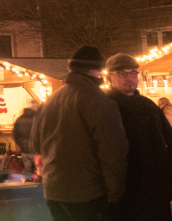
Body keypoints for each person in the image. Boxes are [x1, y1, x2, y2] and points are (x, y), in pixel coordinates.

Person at [31, 45, 128, 221]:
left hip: (54, 191)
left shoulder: (49, 101)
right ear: (95, 70)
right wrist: (115, 196)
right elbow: (113, 153)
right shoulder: (98, 101)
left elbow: (36, 146)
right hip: (87, 194)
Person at [105, 53, 172, 221]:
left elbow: (169, 139)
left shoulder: (148, 105)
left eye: (133, 73)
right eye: (122, 73)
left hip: (157, 187)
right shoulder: (105, 106)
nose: (130, 78)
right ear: (109, 77)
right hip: (127, 189)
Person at [13, 106, 37, 174]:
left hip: (24, 150)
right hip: (35, 150)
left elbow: (15, 135)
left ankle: (28, 183)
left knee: (27, 170)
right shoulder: (37, 119)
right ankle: (38, 183)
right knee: (38, 171)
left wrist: (21, 145)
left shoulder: (19, 119)